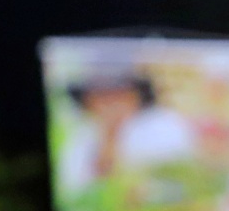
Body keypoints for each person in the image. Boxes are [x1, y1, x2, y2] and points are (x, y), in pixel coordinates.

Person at [57, 66, 196, 192]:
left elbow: (174, 177)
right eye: (102, 97)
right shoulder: (82, 136)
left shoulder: (164, 125)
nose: (111, 104)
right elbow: (74, 187)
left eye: (119, 95)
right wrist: (108, 139)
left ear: (137, 97)